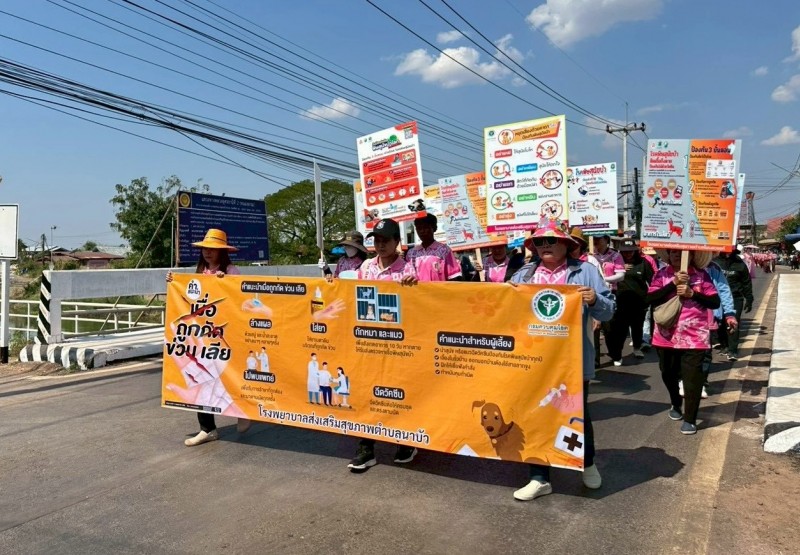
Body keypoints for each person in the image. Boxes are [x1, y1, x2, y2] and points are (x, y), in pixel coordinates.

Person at [509, 217, 616, 501]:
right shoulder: (524, 275)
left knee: (577, 414)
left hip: (572, 360)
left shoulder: (585, 271)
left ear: (565, 244)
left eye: (551, 240)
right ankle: (539, 477)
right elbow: (504, 307)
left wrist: (595, 300)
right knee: (535, 415)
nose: (544, 245)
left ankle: (587, 463)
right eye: (539, 241)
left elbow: (609, 311)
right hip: (533, 361)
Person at [165, 228, 251, 445]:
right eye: (205, 248)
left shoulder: (231, 270)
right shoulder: (199, 272)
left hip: (226, 335)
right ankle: (207, 428)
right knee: (201, 379)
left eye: (213, 249)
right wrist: (173, 281)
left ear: (222, 252)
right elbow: (187, 296)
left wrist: (227, 282)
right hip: (203, 337)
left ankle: (244, 411)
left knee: (231, 376)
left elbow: (240, 298)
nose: (208, 252)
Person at [348, 218, 418, 472]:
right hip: (368, 342)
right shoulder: (366, 266)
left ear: (397, 242)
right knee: (365, 393)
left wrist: (414, 287)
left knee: (398, 392)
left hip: (398, 344)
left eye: (385, 240)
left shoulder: (408, 269)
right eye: (376, 240)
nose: (380, 245)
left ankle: (405, 441)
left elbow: (421, 305)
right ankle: (366, 448)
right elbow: (351, 295)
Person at [647, 249, 720, 435]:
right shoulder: (661, 274)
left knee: (692, 378)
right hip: (665, 336)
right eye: (674, 252)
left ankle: (690, 419)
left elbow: (714, 302)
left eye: (682, 252)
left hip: (694, 337)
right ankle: (675, 402)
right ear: (668, 255)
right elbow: (650, 298)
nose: (677, 255)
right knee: (667, 373)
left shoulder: (702, 275)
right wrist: (673, 284)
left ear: (692, 255)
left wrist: (692, 293)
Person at [606, 238, 653, 364]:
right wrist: (620, 269)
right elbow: (605, 276)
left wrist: (650, 298)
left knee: (637, 326)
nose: (628, 254)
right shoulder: (615, 263)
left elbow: (652, 281)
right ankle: (617, 354)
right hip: (620, 301)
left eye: (630, 251)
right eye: (625, 252)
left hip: (639, 301)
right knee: (619, 329)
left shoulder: (643, 263)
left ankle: (637, 347)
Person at [696, 261, 736, 399]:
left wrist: (729, 314)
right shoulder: (673, 267)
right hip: (681, 322)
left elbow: (724, 290)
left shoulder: (713, 268)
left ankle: (701, 382)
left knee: (705, 353)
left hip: (707, 319)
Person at [712, 249, 754, 361]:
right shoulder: (715, 263)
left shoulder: (740, 265)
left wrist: (749, 298)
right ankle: (724, 346)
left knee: (733, 323)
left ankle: (733, 350)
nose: (728, 253)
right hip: (718, 298)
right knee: (720, 323)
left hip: (736, 298)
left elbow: (746, 283)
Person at [592, 235, 625, 366]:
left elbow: (621, 275)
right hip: (592, 294)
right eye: (594, 238)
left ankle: (615, 354)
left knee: (609, 327)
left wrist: (603, 279)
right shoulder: (591, 256)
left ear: (606, 240)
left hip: (609, 293)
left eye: (599, 238)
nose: (596, 241)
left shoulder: (615, 255)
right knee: (593, 328)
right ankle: (594, 360)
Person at [406, 213, 461, 281]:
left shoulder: (444, 250)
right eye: (419, 228)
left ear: (434, 228)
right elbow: (407, 276)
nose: (422, 231)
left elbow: (453, 278)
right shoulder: (411, 254)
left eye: (425, 227)